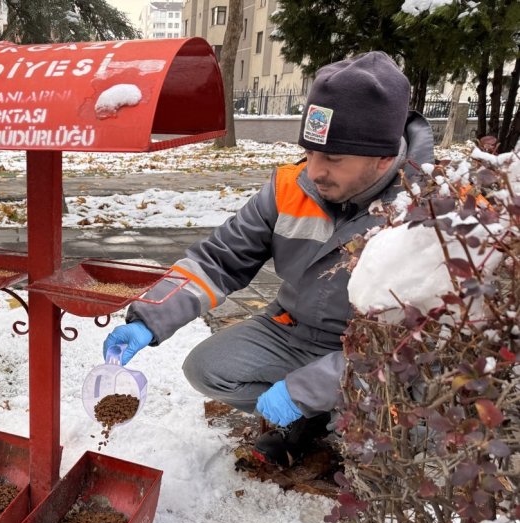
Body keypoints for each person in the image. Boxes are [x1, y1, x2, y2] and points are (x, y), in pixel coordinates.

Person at [103, 51, 434, 467]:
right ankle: (313, 421)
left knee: (399, 424)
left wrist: (312, 388)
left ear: (383, 158)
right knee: (206, 369)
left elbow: (416, 344)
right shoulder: (291, 187)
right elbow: (219, 259)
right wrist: (150, 318)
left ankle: (341, 419)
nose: (314, 171)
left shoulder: (426, 212)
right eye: (310, 152)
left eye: (333, 158)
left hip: (373, 352)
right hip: (293, 331)